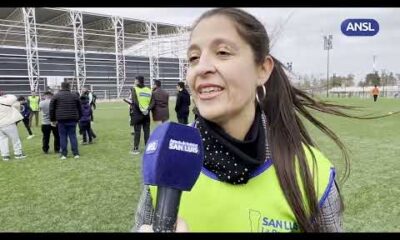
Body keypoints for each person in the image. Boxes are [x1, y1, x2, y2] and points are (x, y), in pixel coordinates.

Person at [134, 8, 355, 232]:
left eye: (222, 52)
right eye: (193, 58)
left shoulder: (310, 172)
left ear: (263, 69)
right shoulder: (166, 159)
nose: (201, 67)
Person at [50, 82, 82, 160]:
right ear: (69, 87)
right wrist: (79, 117)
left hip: (61, 119)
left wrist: (53, 119)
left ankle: (64, 154)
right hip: (72, 119)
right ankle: (76, 153)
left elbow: (51, 109)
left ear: (61, 87)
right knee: (73, 136)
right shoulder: (75, 96)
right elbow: (79, 108)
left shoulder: (56, 96)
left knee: (62, 136)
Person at [0, 94, 27, 160]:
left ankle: (5, 155)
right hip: (9, 123)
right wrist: (4, 96)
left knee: (2, 140)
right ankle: (18, 154)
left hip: (0, 124)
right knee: (15, 139)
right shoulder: (6, 101)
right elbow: (13, 97)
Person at [130, 76, 151, 155]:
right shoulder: (149, 90)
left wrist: (141, 109)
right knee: (146, 132)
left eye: (135, 80)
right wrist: (147, 109)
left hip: (137, 114)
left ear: (138, 81)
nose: (134, 81)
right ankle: (148, 148)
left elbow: (135, 101)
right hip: (146, 115)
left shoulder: (134, 89)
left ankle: (136, 149)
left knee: (137, 131)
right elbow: (153, 102)